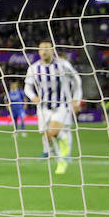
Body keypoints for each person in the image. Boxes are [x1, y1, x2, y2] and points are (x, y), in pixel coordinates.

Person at [24, 40, 83, 175]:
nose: (44, 51)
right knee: (48, 136)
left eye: (46, 48)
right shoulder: (33, 68)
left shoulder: (63, 65)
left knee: (54, 132)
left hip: (61, 104)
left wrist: (76, 100)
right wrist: (33, 97)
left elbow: (77, 80)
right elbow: (27, 87)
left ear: (52, 50)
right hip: (43, 107)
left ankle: (62, 157)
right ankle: (61, 155)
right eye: (41, 49)